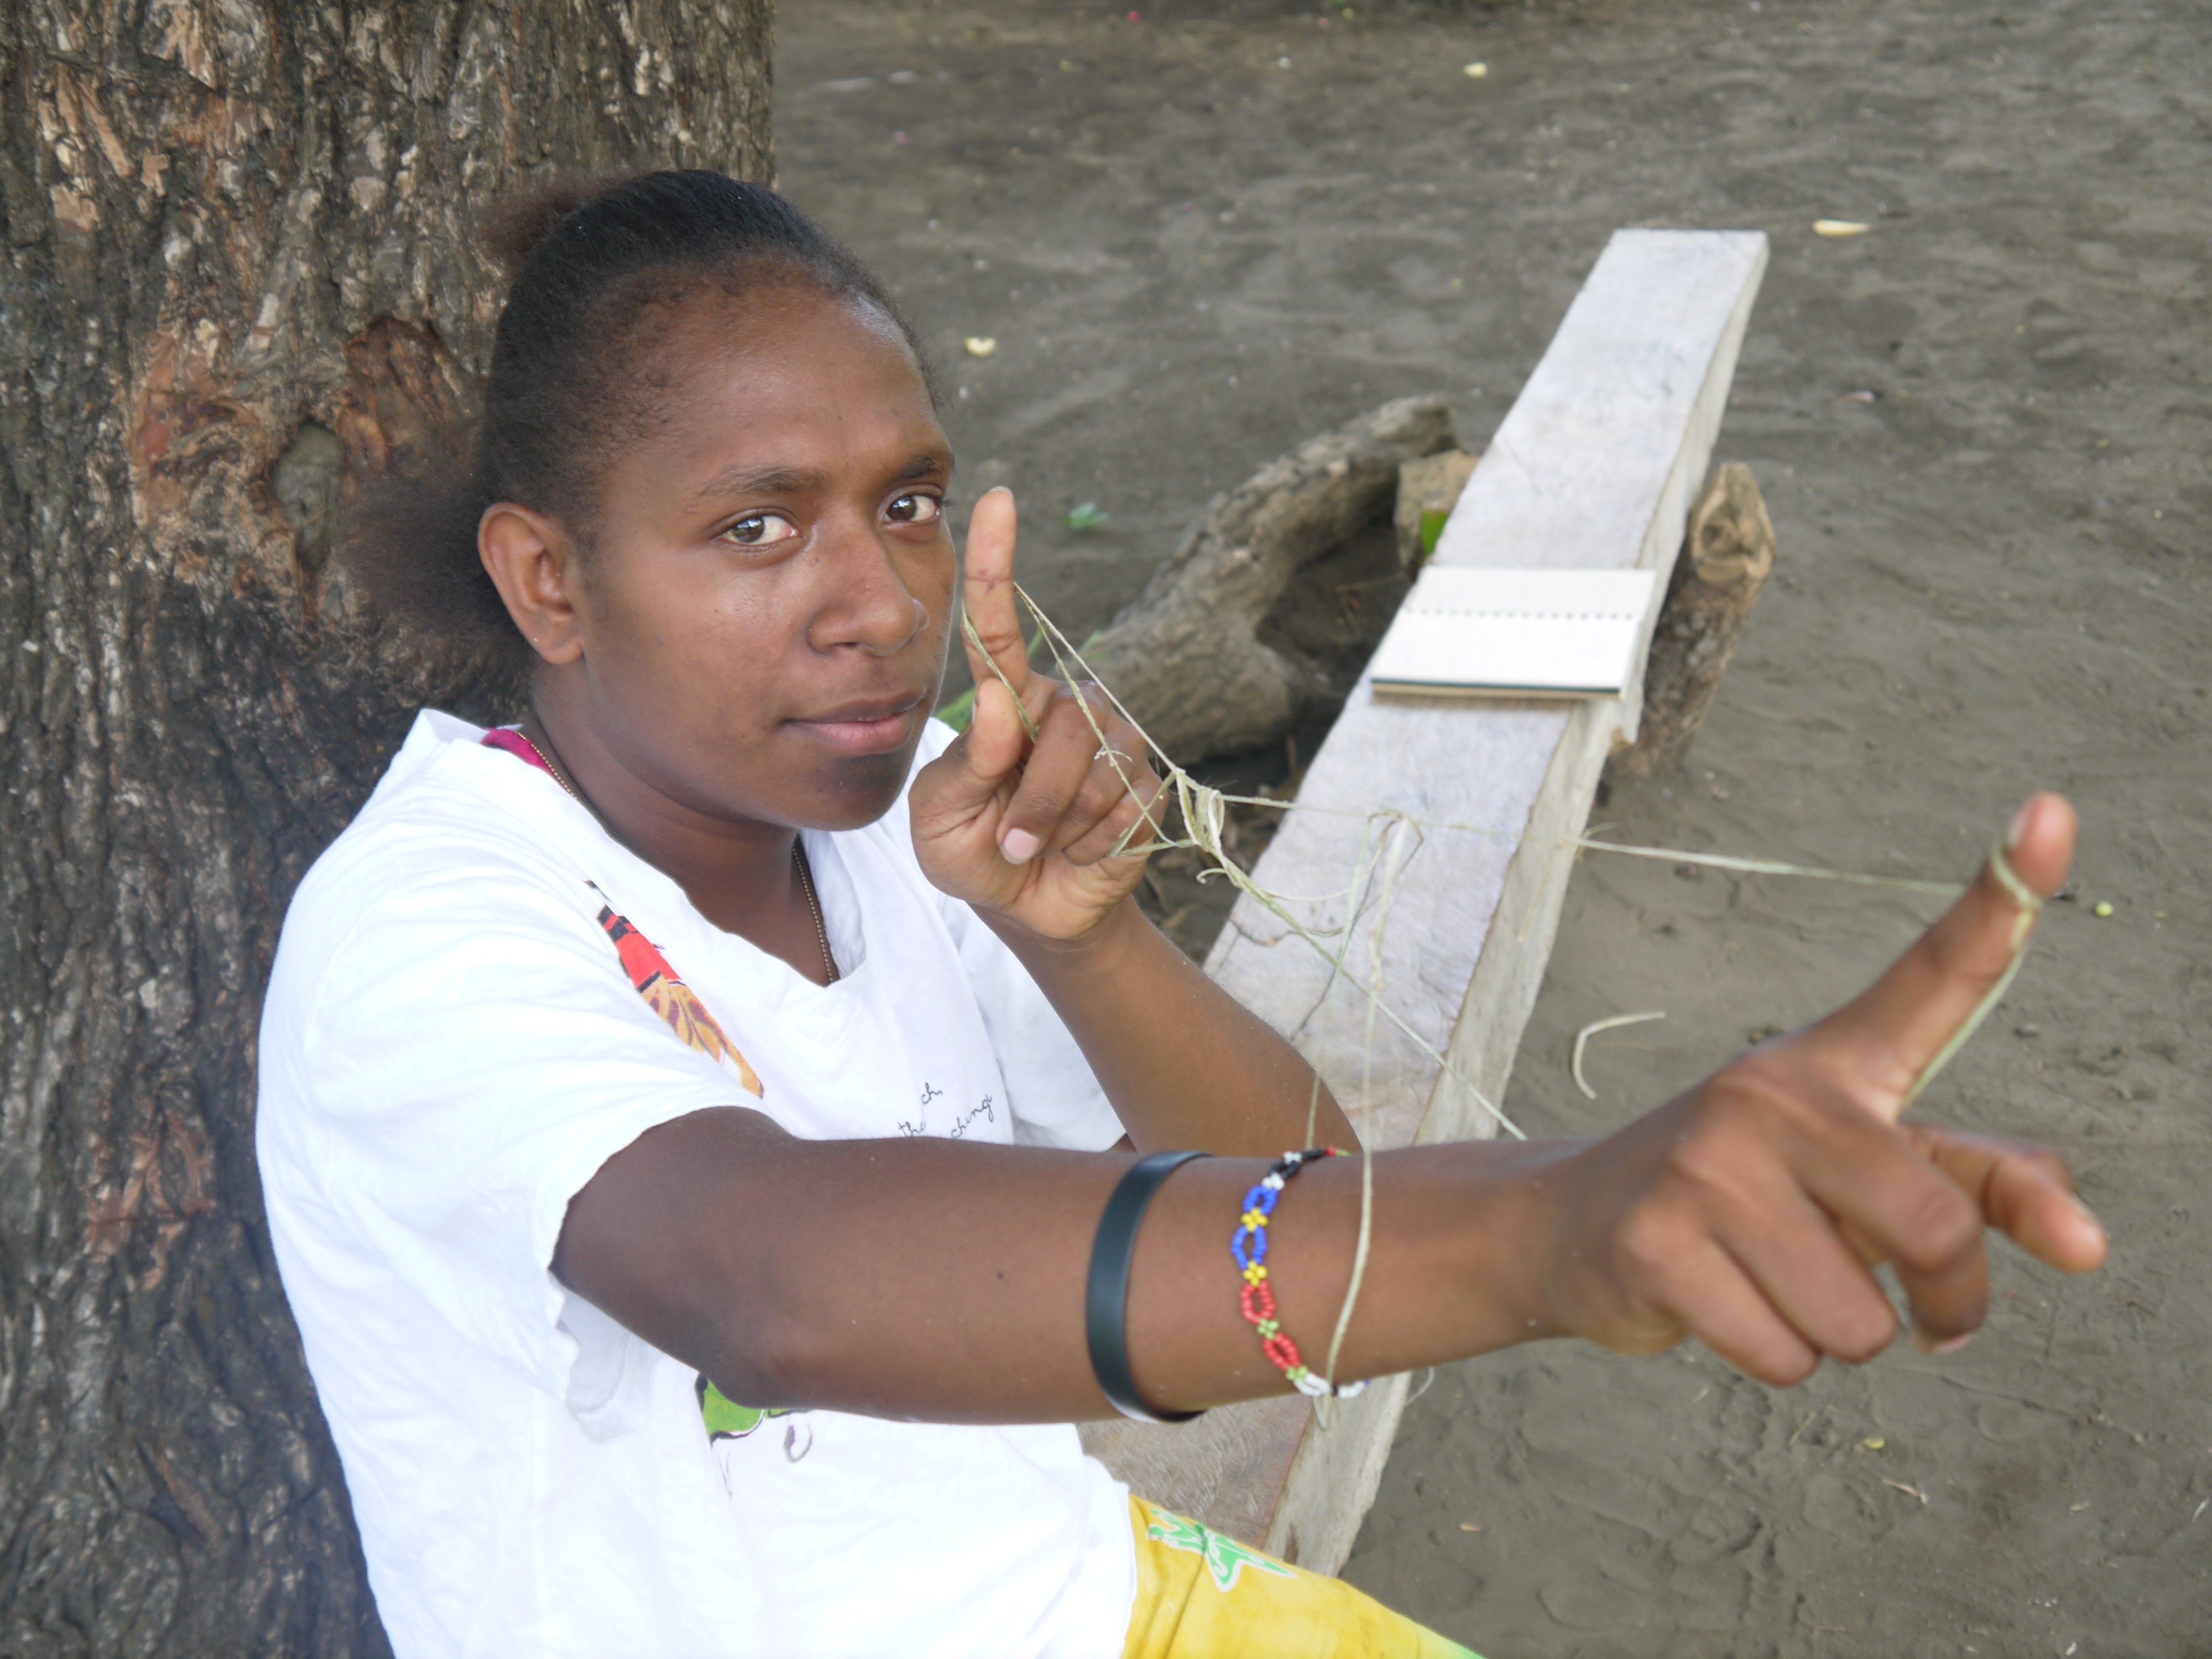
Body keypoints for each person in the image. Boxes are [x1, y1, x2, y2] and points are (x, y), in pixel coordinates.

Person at [257, 170, 2107, 1659]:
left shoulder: (906, 820)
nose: (879, 606)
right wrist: (1551, 1228)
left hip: (1088, 1600)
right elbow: (771, 1287)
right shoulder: (424, 932)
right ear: (549, 581)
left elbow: (1304, 1183)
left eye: (907, 504)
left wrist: (1090, 942)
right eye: (758, 528)